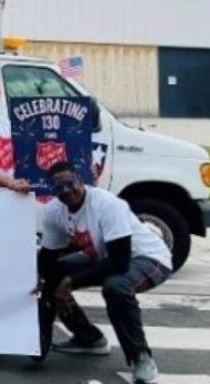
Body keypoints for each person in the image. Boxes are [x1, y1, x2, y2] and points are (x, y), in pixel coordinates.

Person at [36, 161, 172, 383]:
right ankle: (88, 339)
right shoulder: (54, 211)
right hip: (106, 258)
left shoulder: (107, 205)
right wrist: (43, 284)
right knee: (53, 275)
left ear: (81, 180)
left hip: (148, 257)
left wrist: (69, 281)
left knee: (116, 287)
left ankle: (141, 357)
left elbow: (119, 262)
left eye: (70, 184)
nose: (67, 191)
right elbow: (49, 258)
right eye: (59, 188)